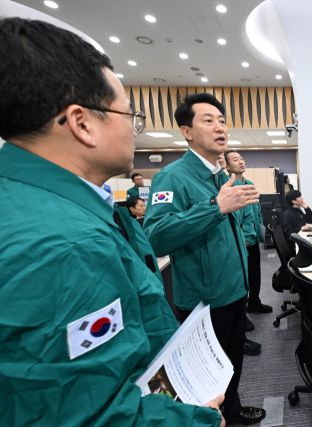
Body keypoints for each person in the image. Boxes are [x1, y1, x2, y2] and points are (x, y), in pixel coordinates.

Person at [0, 18, 224, 426]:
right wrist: (198, 421)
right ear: (82, 123)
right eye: (129, 115)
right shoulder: (63, 246)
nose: (134, 130)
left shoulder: (50, 205)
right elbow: (93, 413)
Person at [144, 93, 266, 425]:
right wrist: (215, 207)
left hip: (234, 291)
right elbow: (155, 236)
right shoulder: (172, 177)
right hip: (205, 302)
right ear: (186, 131)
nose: (219, 127)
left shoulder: (220, 176)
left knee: (231, 366)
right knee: (207, 378)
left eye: (222, 121)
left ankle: (233, 411)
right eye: (208, 121)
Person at [225, 150, 273, 314]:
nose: (241, 161)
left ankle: (254, 302)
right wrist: (242, 239)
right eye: (235, 159)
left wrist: (260, 232)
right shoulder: (228, 187)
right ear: (227, 166)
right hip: (240, 241)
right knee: (241, 277)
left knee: (254, 273)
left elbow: (256, 211)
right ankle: (241, 313)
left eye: (241, 158)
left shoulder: (249, 183)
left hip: (252, 237)